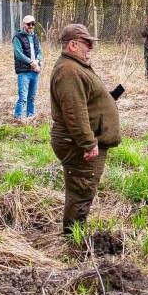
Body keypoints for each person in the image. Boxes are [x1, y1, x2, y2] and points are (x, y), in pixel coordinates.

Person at [50, 23, 121, 235]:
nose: (91, 47)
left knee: (83, 190)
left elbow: (83, 100)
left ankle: (75, 234)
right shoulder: (69, 70)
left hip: (84, 141)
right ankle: (73, 240)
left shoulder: (75, 66)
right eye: (87, 43)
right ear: (72, 45)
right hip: (78, 145)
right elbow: (74, 110)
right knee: (81, 191)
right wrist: (88, 142)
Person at [13, 14, 42, 121]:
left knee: (31, 97)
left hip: (34, 72)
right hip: (24, 72)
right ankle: (17, 118)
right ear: (24, 24)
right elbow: (18, 54)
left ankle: (31, 117)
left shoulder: (35, 37)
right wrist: (31, 63)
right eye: (29, 24)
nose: (31, 26)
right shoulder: (17, 37)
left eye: (33, 24)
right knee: (23, 98)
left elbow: (40, 52)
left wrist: (37, 61)